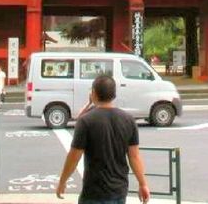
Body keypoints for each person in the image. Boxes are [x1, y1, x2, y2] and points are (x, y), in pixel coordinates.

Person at [56, 74, 150, 203]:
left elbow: (74, 157)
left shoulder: (86, 121)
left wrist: (62, 181)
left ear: (93, 93)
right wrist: (143, 184)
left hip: (94, 192)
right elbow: (134, 156)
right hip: (119, 190)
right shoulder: (128, 120)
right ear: (114, 95)